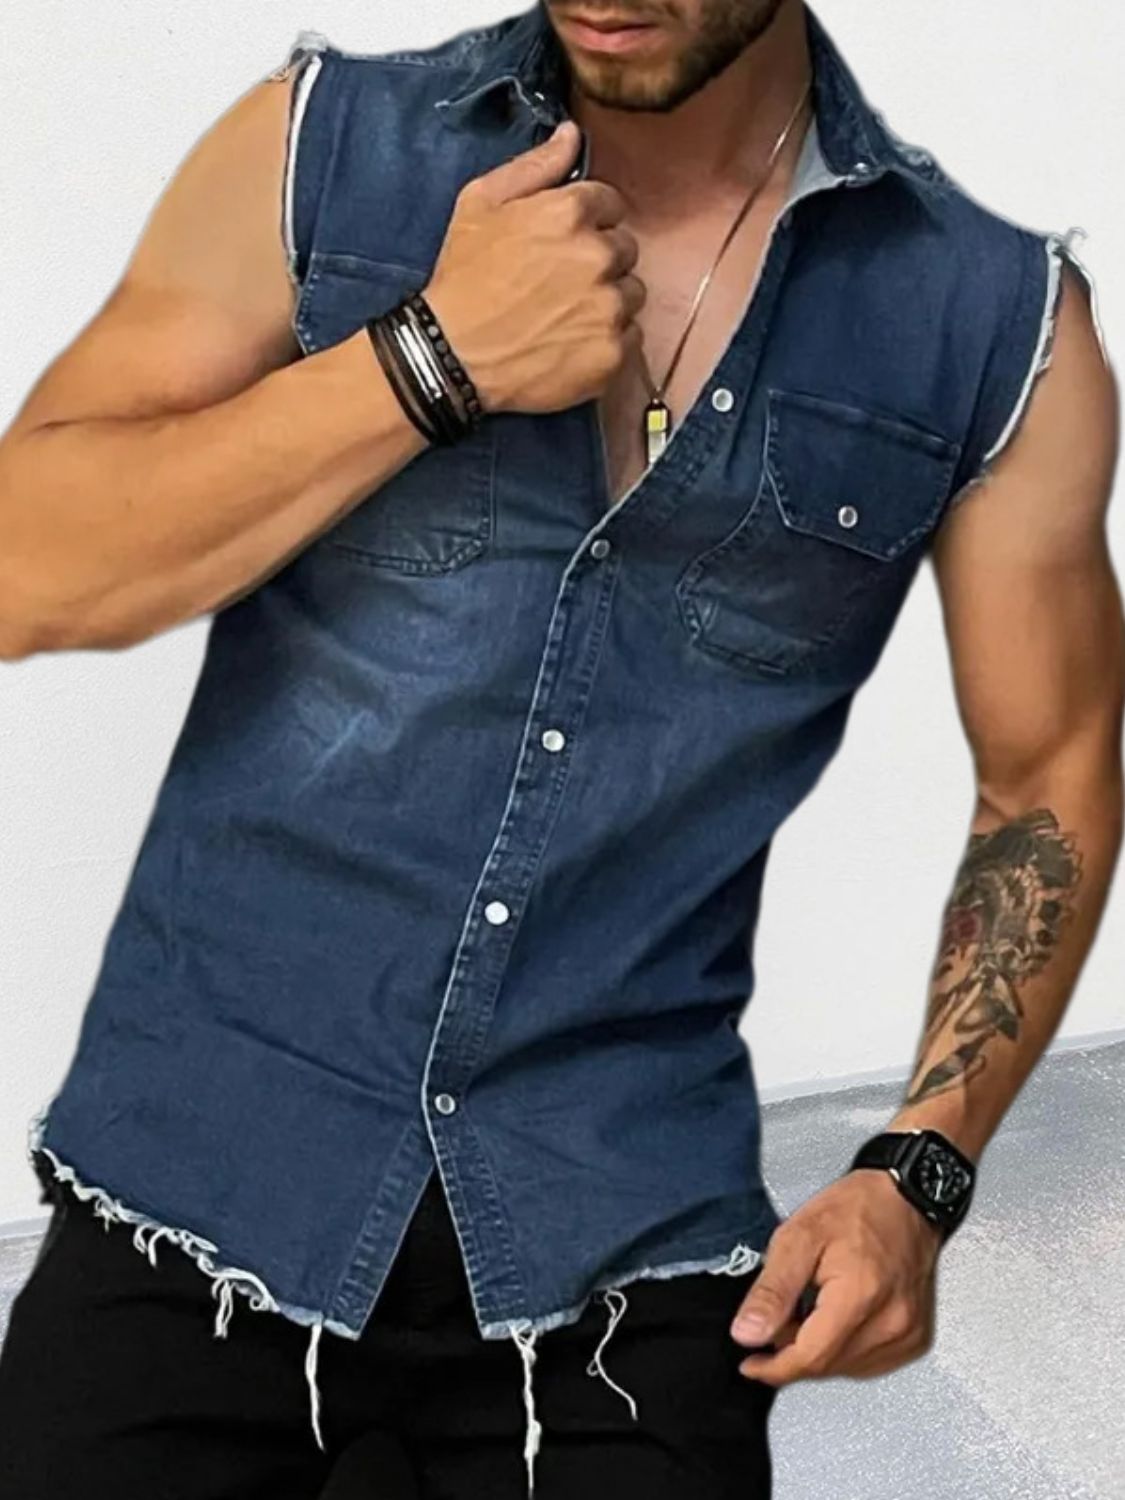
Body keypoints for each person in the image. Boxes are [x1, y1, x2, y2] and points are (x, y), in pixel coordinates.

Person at [0, 0, 1120, 1495]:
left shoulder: (990, 320)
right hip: (203, 1186)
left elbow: (1047, 769)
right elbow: (25, 571)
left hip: (612, 1254)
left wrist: (918, 1168)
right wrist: (425, 361)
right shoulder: (319, 150)